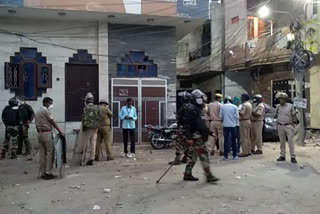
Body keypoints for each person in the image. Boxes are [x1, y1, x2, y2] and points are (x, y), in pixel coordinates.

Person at [183, 89, 219, 184]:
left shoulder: (198, 109)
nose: (202, 100)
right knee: (204, 156)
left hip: (199, 135)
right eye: (200, 98)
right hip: (196, 136)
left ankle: (187, 173)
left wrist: (210, 132)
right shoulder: (191, 109)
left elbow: (202, 124)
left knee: (193, 156)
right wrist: (189, 138)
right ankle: (209, 175)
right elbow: (187, 125)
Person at [35, 97, 64, 180]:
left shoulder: (37, 112)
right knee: (49, 153)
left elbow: (36, 124)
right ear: (46, 103)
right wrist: (59, 130)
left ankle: (42, 172)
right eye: (50, 103)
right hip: (47, 133)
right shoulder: (46, 111)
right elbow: (52, 121)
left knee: (42, 154)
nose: (51, 105)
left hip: (40, 134)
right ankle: (48, 172)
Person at [168, 91, 192, 165]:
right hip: (190, 129)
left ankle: (177, 159)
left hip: (182, 128)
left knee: (179, 143)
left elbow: (178, 117)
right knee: (187, 144)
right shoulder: (192, 107)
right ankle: (186, 158)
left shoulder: (183, 107)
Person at [274, 92, 298, 163]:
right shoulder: (278, 106)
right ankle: (282, 155)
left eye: (282, 99)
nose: (281, 101)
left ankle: (292, 156)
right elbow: (276, 115)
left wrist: (294, 123)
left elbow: (294, 115)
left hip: (288, 125)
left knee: (290, 142)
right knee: (282, 142)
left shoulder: (290, 106)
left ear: (285, 100)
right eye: (280, 99)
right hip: (280, 125)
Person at [81, 93, 100, 166]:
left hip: (87, 128)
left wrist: (84, 126)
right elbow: (99, 117)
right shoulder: (97, 107)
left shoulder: (85, 108)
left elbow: (84, 118)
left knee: (85, 144)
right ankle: (91, 159)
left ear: (86, 101)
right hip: (95, 128)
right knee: (93, 143)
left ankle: (83, 159)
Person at [219, 96, 239, 160]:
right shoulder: (235, 107)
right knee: (234, 140)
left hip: (225, 125)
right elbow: (237, 117)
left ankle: (225, 156)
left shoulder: (222, 107)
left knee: (226, 140)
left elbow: (220, 116)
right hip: (233, 125)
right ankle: (234, 155)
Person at [238, 94, 253, 158]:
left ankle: (244, 152)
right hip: (248, 121)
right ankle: (249, 151)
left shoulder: (244, 105)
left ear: (243, 98)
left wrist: (238, 110)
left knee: (243, 137)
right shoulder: (249, 104)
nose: (241, 98)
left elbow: (242, 113)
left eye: (241, 97)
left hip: (243, 121)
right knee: (248, 137)